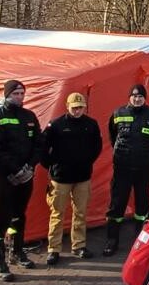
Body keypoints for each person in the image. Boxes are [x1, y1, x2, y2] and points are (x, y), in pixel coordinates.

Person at [0, 80, 42, 279]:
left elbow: (38, 144)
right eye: (15, 93)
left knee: (19, 215)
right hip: (4, 177)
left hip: (25, 176)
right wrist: (14, 170)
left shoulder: (29, 116)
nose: (19, 97)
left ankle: (17, 252)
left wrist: (30, 167)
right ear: (7, 95)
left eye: (22, 93)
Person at [41, 92, 103, 263]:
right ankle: (53, 249)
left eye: (80, 107)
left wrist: (86, 161)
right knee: (57, 213)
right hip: (60, 178)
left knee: (81, 213)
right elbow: (43, 148)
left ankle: (79, 246)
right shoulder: (56, 125)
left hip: (82, 177)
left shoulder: (91, 124)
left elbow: (97, 146)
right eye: (74, 108)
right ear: (67, 106)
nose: (77, 111)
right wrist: (52, 166)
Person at [104, 83, 149, 256]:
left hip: (143, 168)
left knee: (142, 204)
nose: (137, 99)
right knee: (117, 203)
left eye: (140, 96)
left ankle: (140, 241)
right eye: (134, 96)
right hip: (122, 167)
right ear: (129, 97)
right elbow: (112, 135)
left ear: (145, 98)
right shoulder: (118, 113)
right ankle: (112, 241)